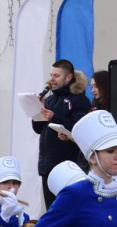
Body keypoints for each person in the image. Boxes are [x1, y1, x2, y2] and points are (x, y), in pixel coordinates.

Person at [32, 59, 91, 208]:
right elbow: (39, 130)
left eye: (57, 76)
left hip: (66, 166)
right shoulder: (50, 99)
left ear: (68, 77)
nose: (52, 79)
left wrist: (55, 117)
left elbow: (79, 130)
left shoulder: (80, 101)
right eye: (51, 75)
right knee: (51, 210)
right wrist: (35, 110)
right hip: (46, 165)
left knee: (65, 209)